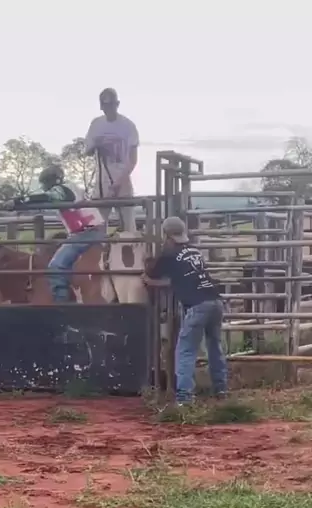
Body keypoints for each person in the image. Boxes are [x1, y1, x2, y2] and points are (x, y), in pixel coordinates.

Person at [144, 216, 227, 403]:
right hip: (215, 300)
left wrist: (148, 276)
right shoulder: (195, 251)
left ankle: (184, 397)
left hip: (197, 305)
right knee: (215, 346)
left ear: (167, 236)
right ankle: (221, 390)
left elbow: (153, 274)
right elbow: (181, 279)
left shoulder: (169, 255)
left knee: (185, 350)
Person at [10, 163, 105, 302]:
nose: (44, 187)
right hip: (93, 231)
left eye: (45, 183)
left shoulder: (62, 190)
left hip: (85, 233)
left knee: (56, 266)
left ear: (52, 181)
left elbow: (48, 196)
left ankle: (61, 302)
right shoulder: (71, 188)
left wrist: (19, 201)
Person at [85, 88, 139, 233]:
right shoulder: (96, 125)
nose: (108, 108)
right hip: (102, 182)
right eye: (105, 105)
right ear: (101, 106)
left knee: (128, 223)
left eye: (111, 105)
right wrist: (96, 145)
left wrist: (120, 181)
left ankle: (130, 244)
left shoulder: (128, 126)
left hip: (123, 179)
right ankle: (100, 246)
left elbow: (133, 159)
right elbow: (88, 151)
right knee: (98, 224)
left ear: (117, 104)